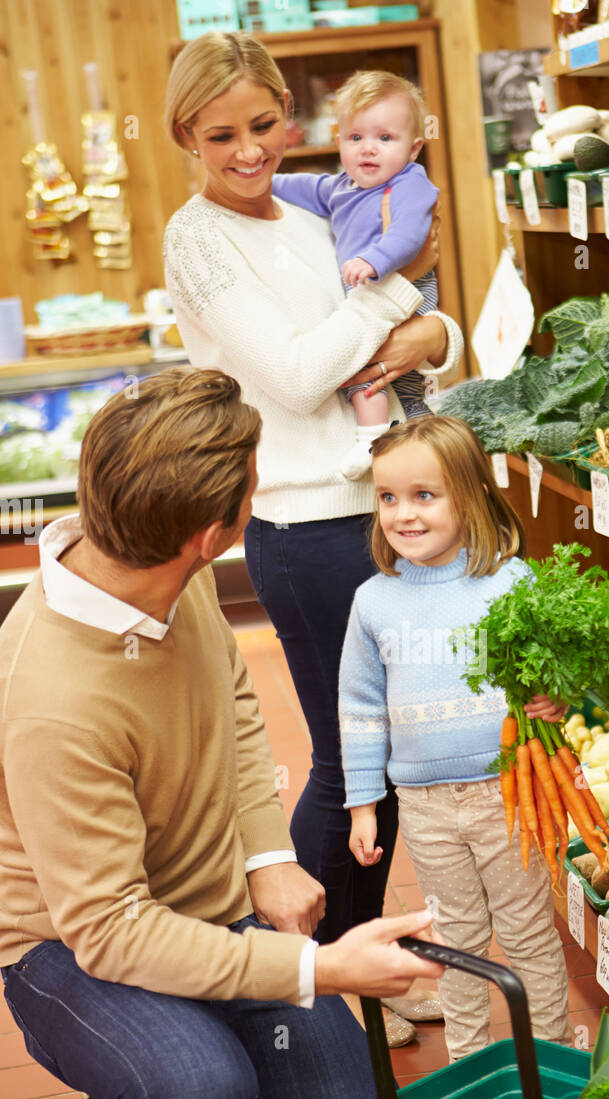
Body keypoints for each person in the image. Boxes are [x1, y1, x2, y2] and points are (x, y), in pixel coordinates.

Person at [0, 368, 444, 1099]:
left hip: (206, 907)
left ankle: (199, 1039)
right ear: (215, 532)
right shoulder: (51, 701)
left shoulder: (163, 569)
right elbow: (113, 931)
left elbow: (234, 703)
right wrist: (321, 970)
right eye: (254, 481)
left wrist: (266, 854)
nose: (260, 489)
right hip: (67, 946)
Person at [162, 36, 464, 1038]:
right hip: (300, 526)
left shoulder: (311, 208)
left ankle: (356, 971)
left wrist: (434, 332)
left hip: (373, 511)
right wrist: (399, 295)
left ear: (288, 113)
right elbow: (297, 373)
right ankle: (331, 983)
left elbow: (409, 332)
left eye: (262, 124)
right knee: (348, 766)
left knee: (385, 761)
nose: (248, 150)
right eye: (221, 134)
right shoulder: (196, 240)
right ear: (184, 137)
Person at [338, 415, 573, 1062]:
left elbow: (551, 670)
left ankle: (549, 1062)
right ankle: (469, 1070)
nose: (403, 515)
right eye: (388, 498)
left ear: (467, 497)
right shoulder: (373, 603)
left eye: (423, 496)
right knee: (456, 941)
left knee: (527, 934)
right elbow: (358, 708)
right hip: (424, 806)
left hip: (509, 793)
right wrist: (363, 802)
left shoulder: (510, 583)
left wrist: (555, 695)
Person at [272, 69, 440, 478]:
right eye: (356, 138)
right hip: (370, 297)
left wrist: (375, 260)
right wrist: (266, 183)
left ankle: (374, 439)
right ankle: (392, 436)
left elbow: (411, 232)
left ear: (414, 148)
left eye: (385, 138)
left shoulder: (407, 183)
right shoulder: (341, 187)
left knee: (380, 372)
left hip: (407, 289)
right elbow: (304, 188)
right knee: (369, 371)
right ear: (339, 142)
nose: (369, 149)